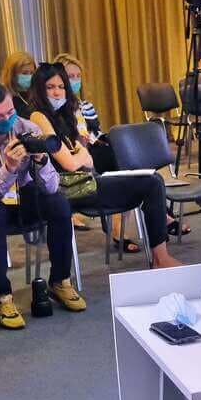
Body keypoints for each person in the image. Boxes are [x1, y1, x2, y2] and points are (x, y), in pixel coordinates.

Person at [0, 81, 86, 330]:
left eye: (10, 112)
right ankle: (1, 296)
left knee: (59, 204)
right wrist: (9, 168)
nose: (7, 120)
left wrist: (41, 160)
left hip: (21, 193)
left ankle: (60, 281)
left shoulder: (28, 128)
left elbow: (51, 186)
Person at [26, 62, 182, 268]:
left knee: (153, 180)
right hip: (63, 189)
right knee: (150, 183)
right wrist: (80, 155)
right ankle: (159, 257)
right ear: (40, 89)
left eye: (61, 87)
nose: (57, 92)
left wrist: (81, 155)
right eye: (50, 87)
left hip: (84, 181)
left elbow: (87, 159)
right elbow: (70, 163)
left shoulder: (64, 116)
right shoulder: (38, 116)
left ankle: (160, 256)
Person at [0, 51, 38, 119]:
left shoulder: (35, 93)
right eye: (24, 73)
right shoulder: (2, 97)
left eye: (32, 73)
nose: (29, 77)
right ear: (12, 74)